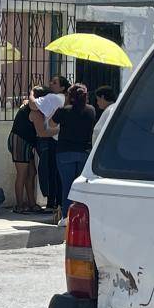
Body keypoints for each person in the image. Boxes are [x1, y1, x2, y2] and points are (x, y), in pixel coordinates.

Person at [51, 83, 96, 227]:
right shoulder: (91, 110)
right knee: (82, 186)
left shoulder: (64, 111)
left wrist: (64, 104)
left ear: (69, 97)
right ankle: (83, 217)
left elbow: (52, 123)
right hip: (84, 151)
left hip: (65, 151)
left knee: (67, 185)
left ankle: (66, 216)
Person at [28, 75, 70, 213]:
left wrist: (32, 93)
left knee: (49, 170)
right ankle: (58, 202)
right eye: (51, 81)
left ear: (62, 87)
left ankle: (51, 202)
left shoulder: (53, 98)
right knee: (57, 171)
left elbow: (33, 104)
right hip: (60, 137)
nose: (51, 84)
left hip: (50, 136)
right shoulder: (63, 99)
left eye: (55, 82)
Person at [8, 86, 51, 214]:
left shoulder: (31, 106)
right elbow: (42, 132)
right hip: (20, 141)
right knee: (22, 174)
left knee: (32, 172)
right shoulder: (35, 111)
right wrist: (61, 130)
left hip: (26, 142)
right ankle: (19, 205)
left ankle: (32, 203)